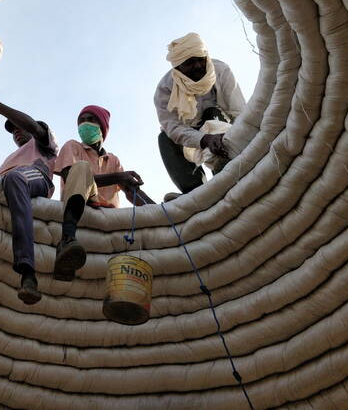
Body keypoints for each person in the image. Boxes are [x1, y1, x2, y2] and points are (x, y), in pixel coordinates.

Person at [0, 82, 58, 305]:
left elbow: (31, 125)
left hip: (34, 177)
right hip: (10, 181)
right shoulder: (6, 163)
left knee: (16, 177)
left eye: (20, 127)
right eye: (13, 131)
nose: (17, 132)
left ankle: (27, 270)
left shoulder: (43, 144)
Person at [53, 105, 154, 281]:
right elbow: (71, 177)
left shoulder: (113, 160)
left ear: (102, 127)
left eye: (91, 120)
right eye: (81, 121)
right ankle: (67, 239)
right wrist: (118, 177)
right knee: (81, 168)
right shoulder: (73, 146)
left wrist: (159, 210)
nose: (85, 124)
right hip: (81, 202)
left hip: (108, 213)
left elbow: (132, 193)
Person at [154, 32, 245, 199]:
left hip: (226, 131)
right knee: (165, 139)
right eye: (189, 63)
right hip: (190, 136)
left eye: (200, 59)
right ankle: (195, 192)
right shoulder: (165, 90)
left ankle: (226, 170)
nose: (197, 66)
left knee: (212, 113)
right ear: (177, 68)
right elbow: (173, 128)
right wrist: (203, 139)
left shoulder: (221, 70)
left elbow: (239, 112)